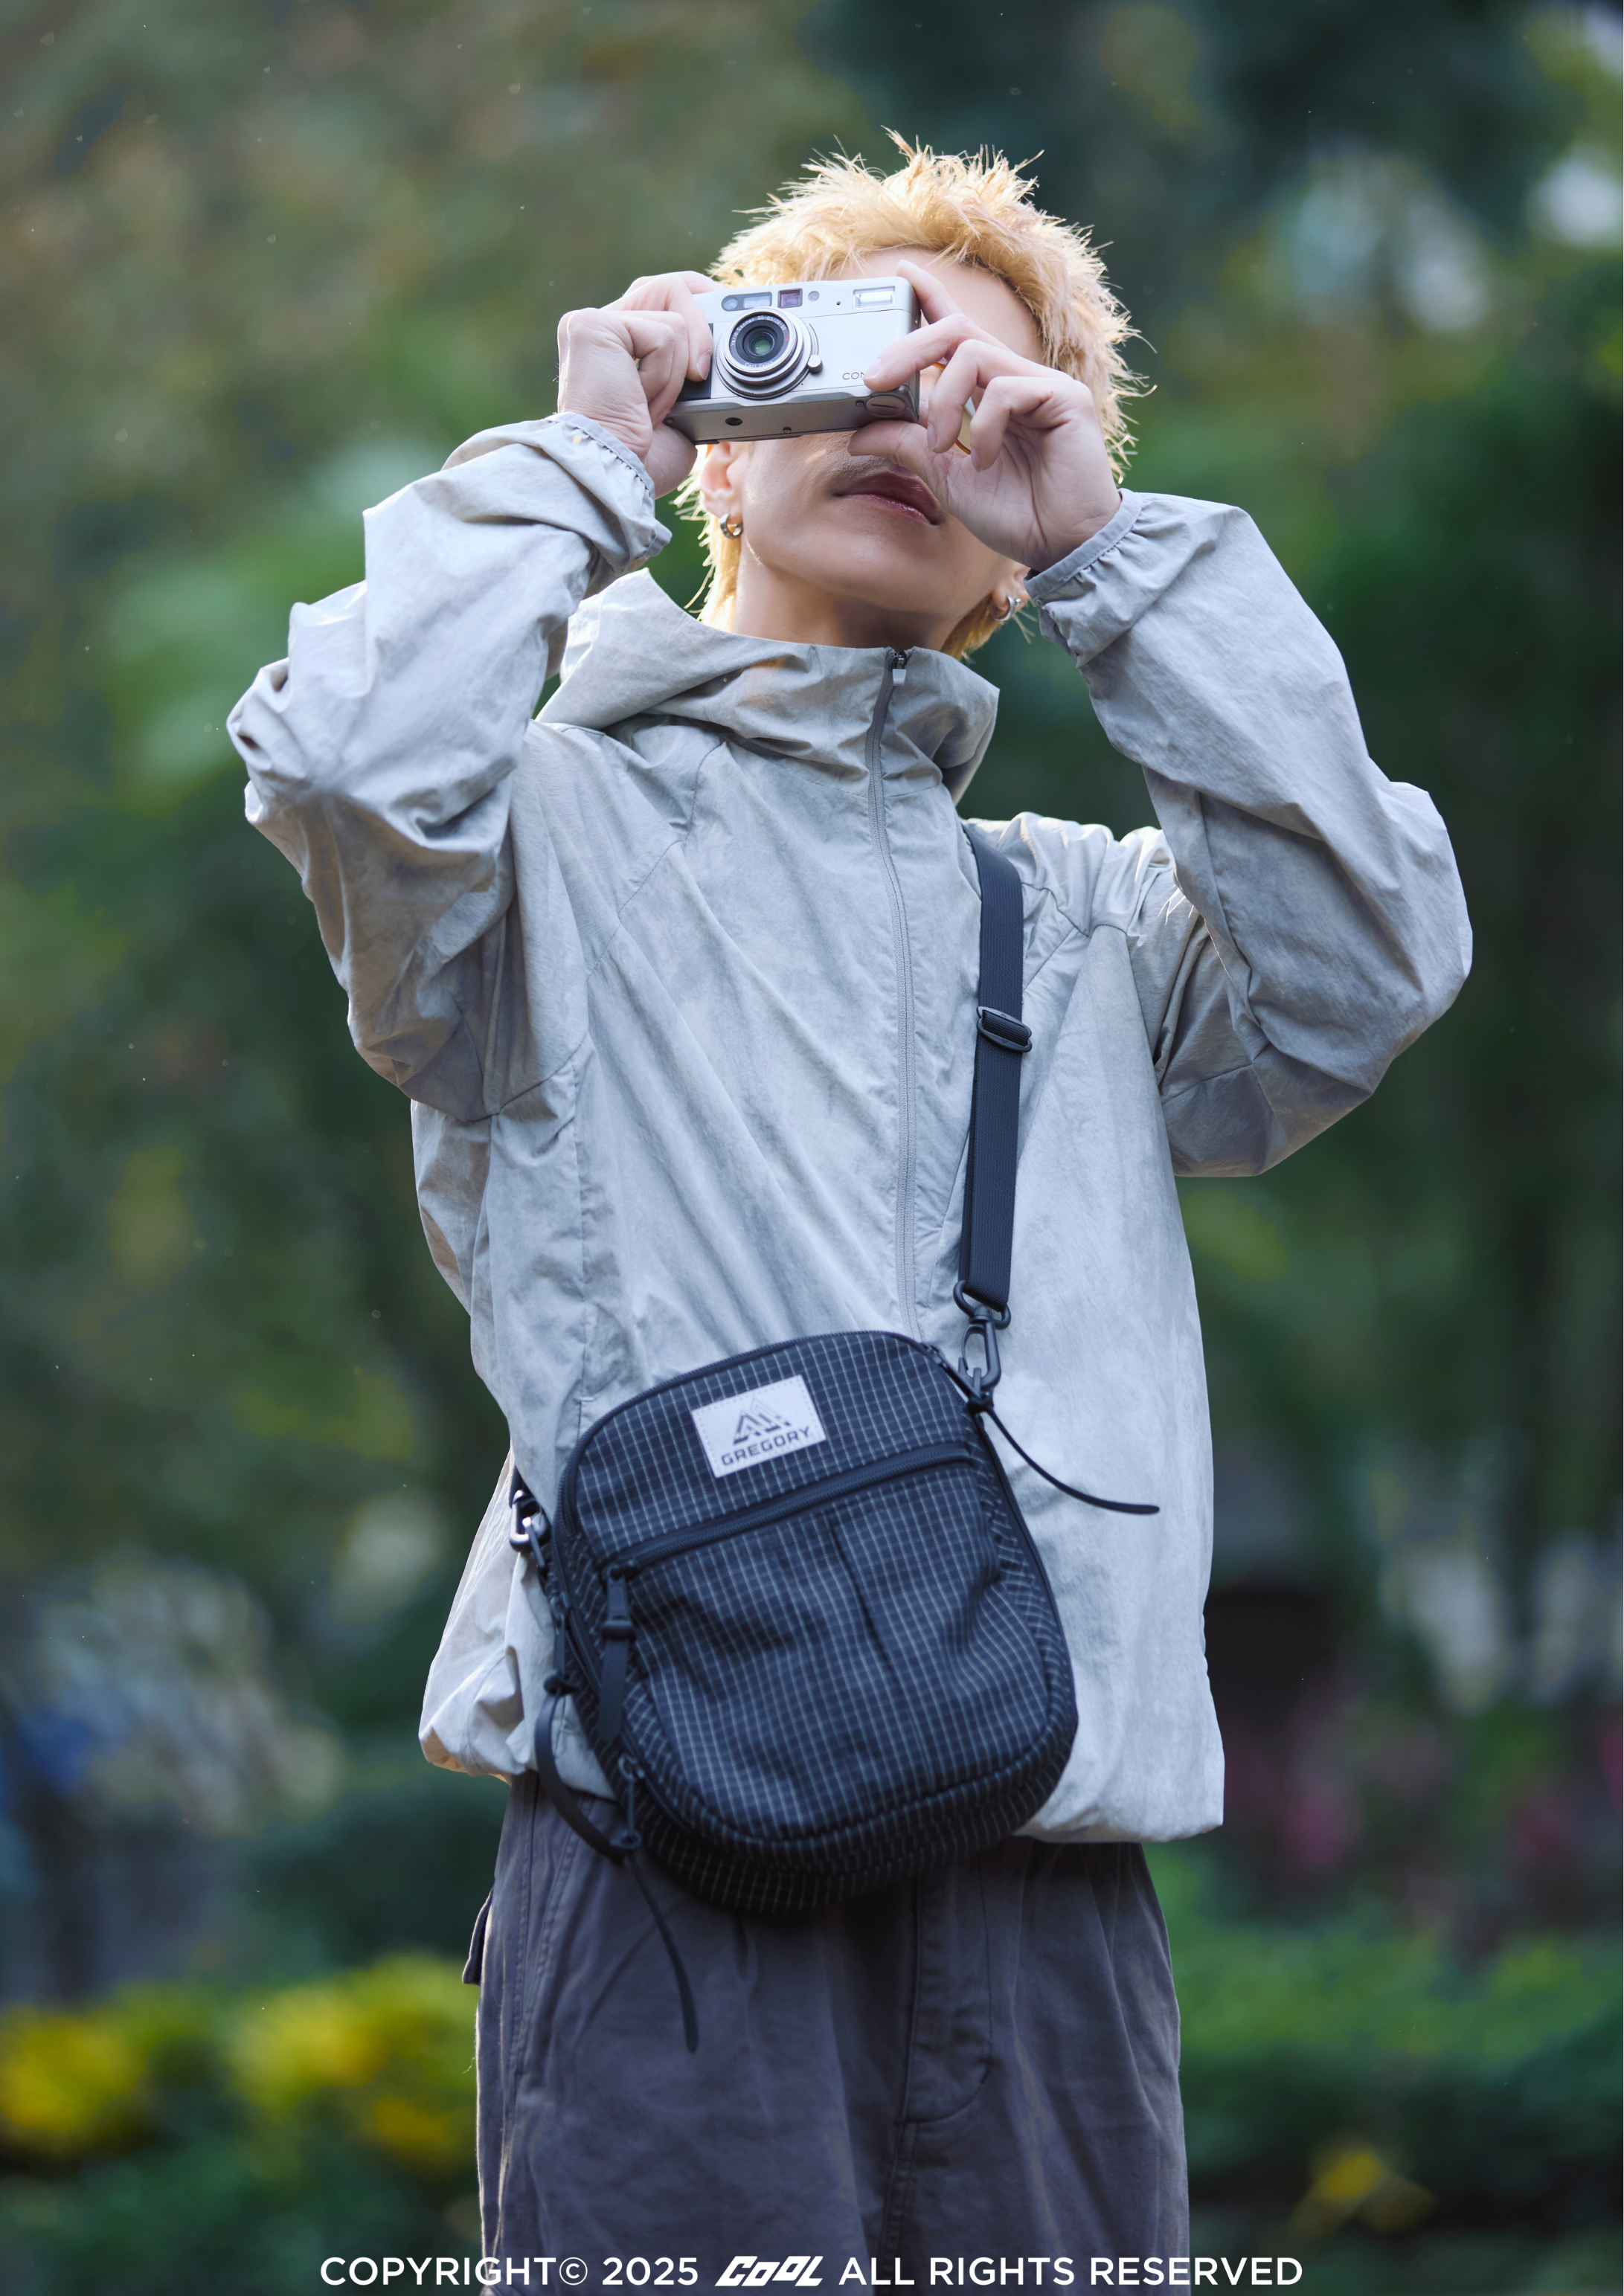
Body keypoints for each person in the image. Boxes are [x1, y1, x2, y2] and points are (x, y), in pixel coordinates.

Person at [231, 143, 1470, 2276]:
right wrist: (572, 453)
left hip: (1048, 1878)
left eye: (974, 399)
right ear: (727, 441)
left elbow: (1366, 956)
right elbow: (344, 763)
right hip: (660, 1864)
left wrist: (1116, 559)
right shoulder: (525, 835)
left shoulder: (1081, 915)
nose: (906, 417)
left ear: (1012, 548)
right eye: (843, 368)